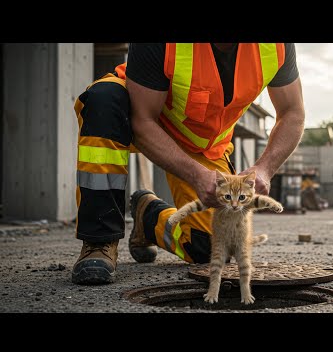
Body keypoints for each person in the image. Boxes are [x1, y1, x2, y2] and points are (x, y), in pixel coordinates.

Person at [71, 43, 305, 285]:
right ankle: (99, 241)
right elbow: (142, 120)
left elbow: (292, 112)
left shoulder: (276, 46)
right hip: (136, 115)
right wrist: (196, 175)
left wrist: (264, 169)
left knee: (209, 246)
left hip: (199, 143)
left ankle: (149, 218)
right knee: (104, 99)